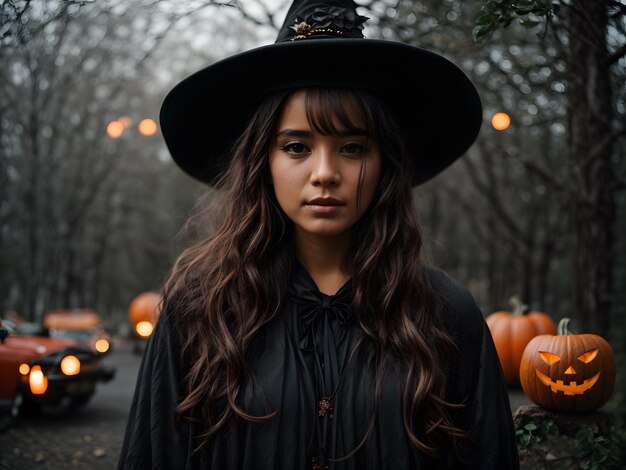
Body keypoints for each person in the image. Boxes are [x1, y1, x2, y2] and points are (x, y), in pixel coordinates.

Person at [118, 0, 519, 468]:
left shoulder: (447, 313)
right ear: (262, 163)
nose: (325, 173)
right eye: (296, 147)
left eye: (352, 147)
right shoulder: (200, 309)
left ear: (384, 164)